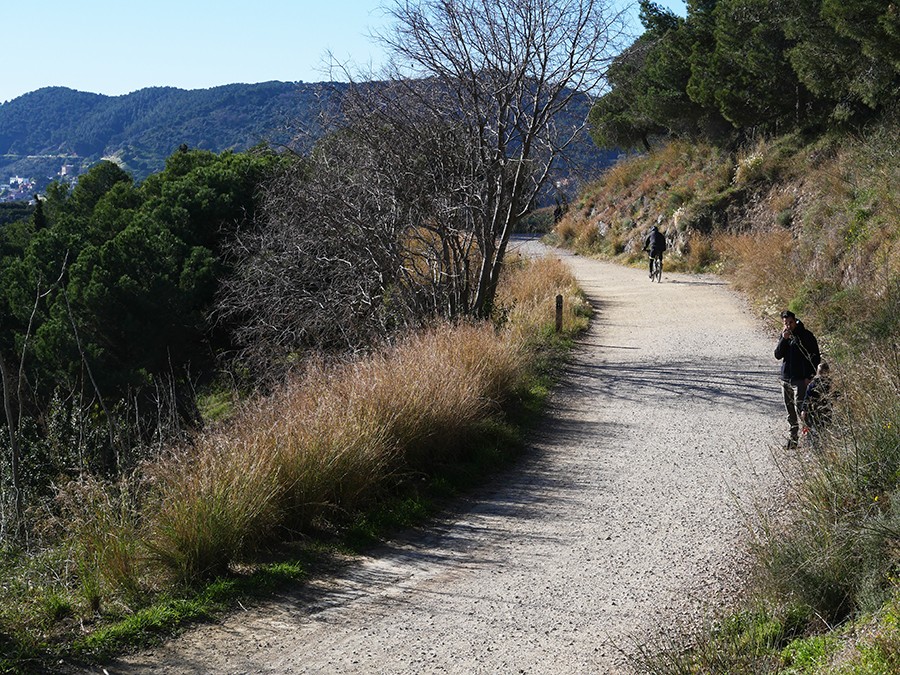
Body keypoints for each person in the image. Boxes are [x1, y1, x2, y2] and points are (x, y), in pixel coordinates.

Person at [775, 310, 820, 448]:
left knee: (802, 410)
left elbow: (815, 357)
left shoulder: (806, 336)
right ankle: (793, 439)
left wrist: (809, 377)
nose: (788, 325)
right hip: (786, 379)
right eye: (785, 323)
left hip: (801, 380)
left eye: (790, 322)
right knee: (790, 413)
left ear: (795, 321)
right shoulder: (785, 336)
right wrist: (784, 339)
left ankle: (812, 438)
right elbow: (777, 355)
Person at [801, 361, 835, 443]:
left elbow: (807, 398)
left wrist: (804, 410)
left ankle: (815, 445)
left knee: (815, 429)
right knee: (823, 429)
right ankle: (821, 444)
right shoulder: (830, 383)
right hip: (824, 411)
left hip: (815, 411)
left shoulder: (813, 384)